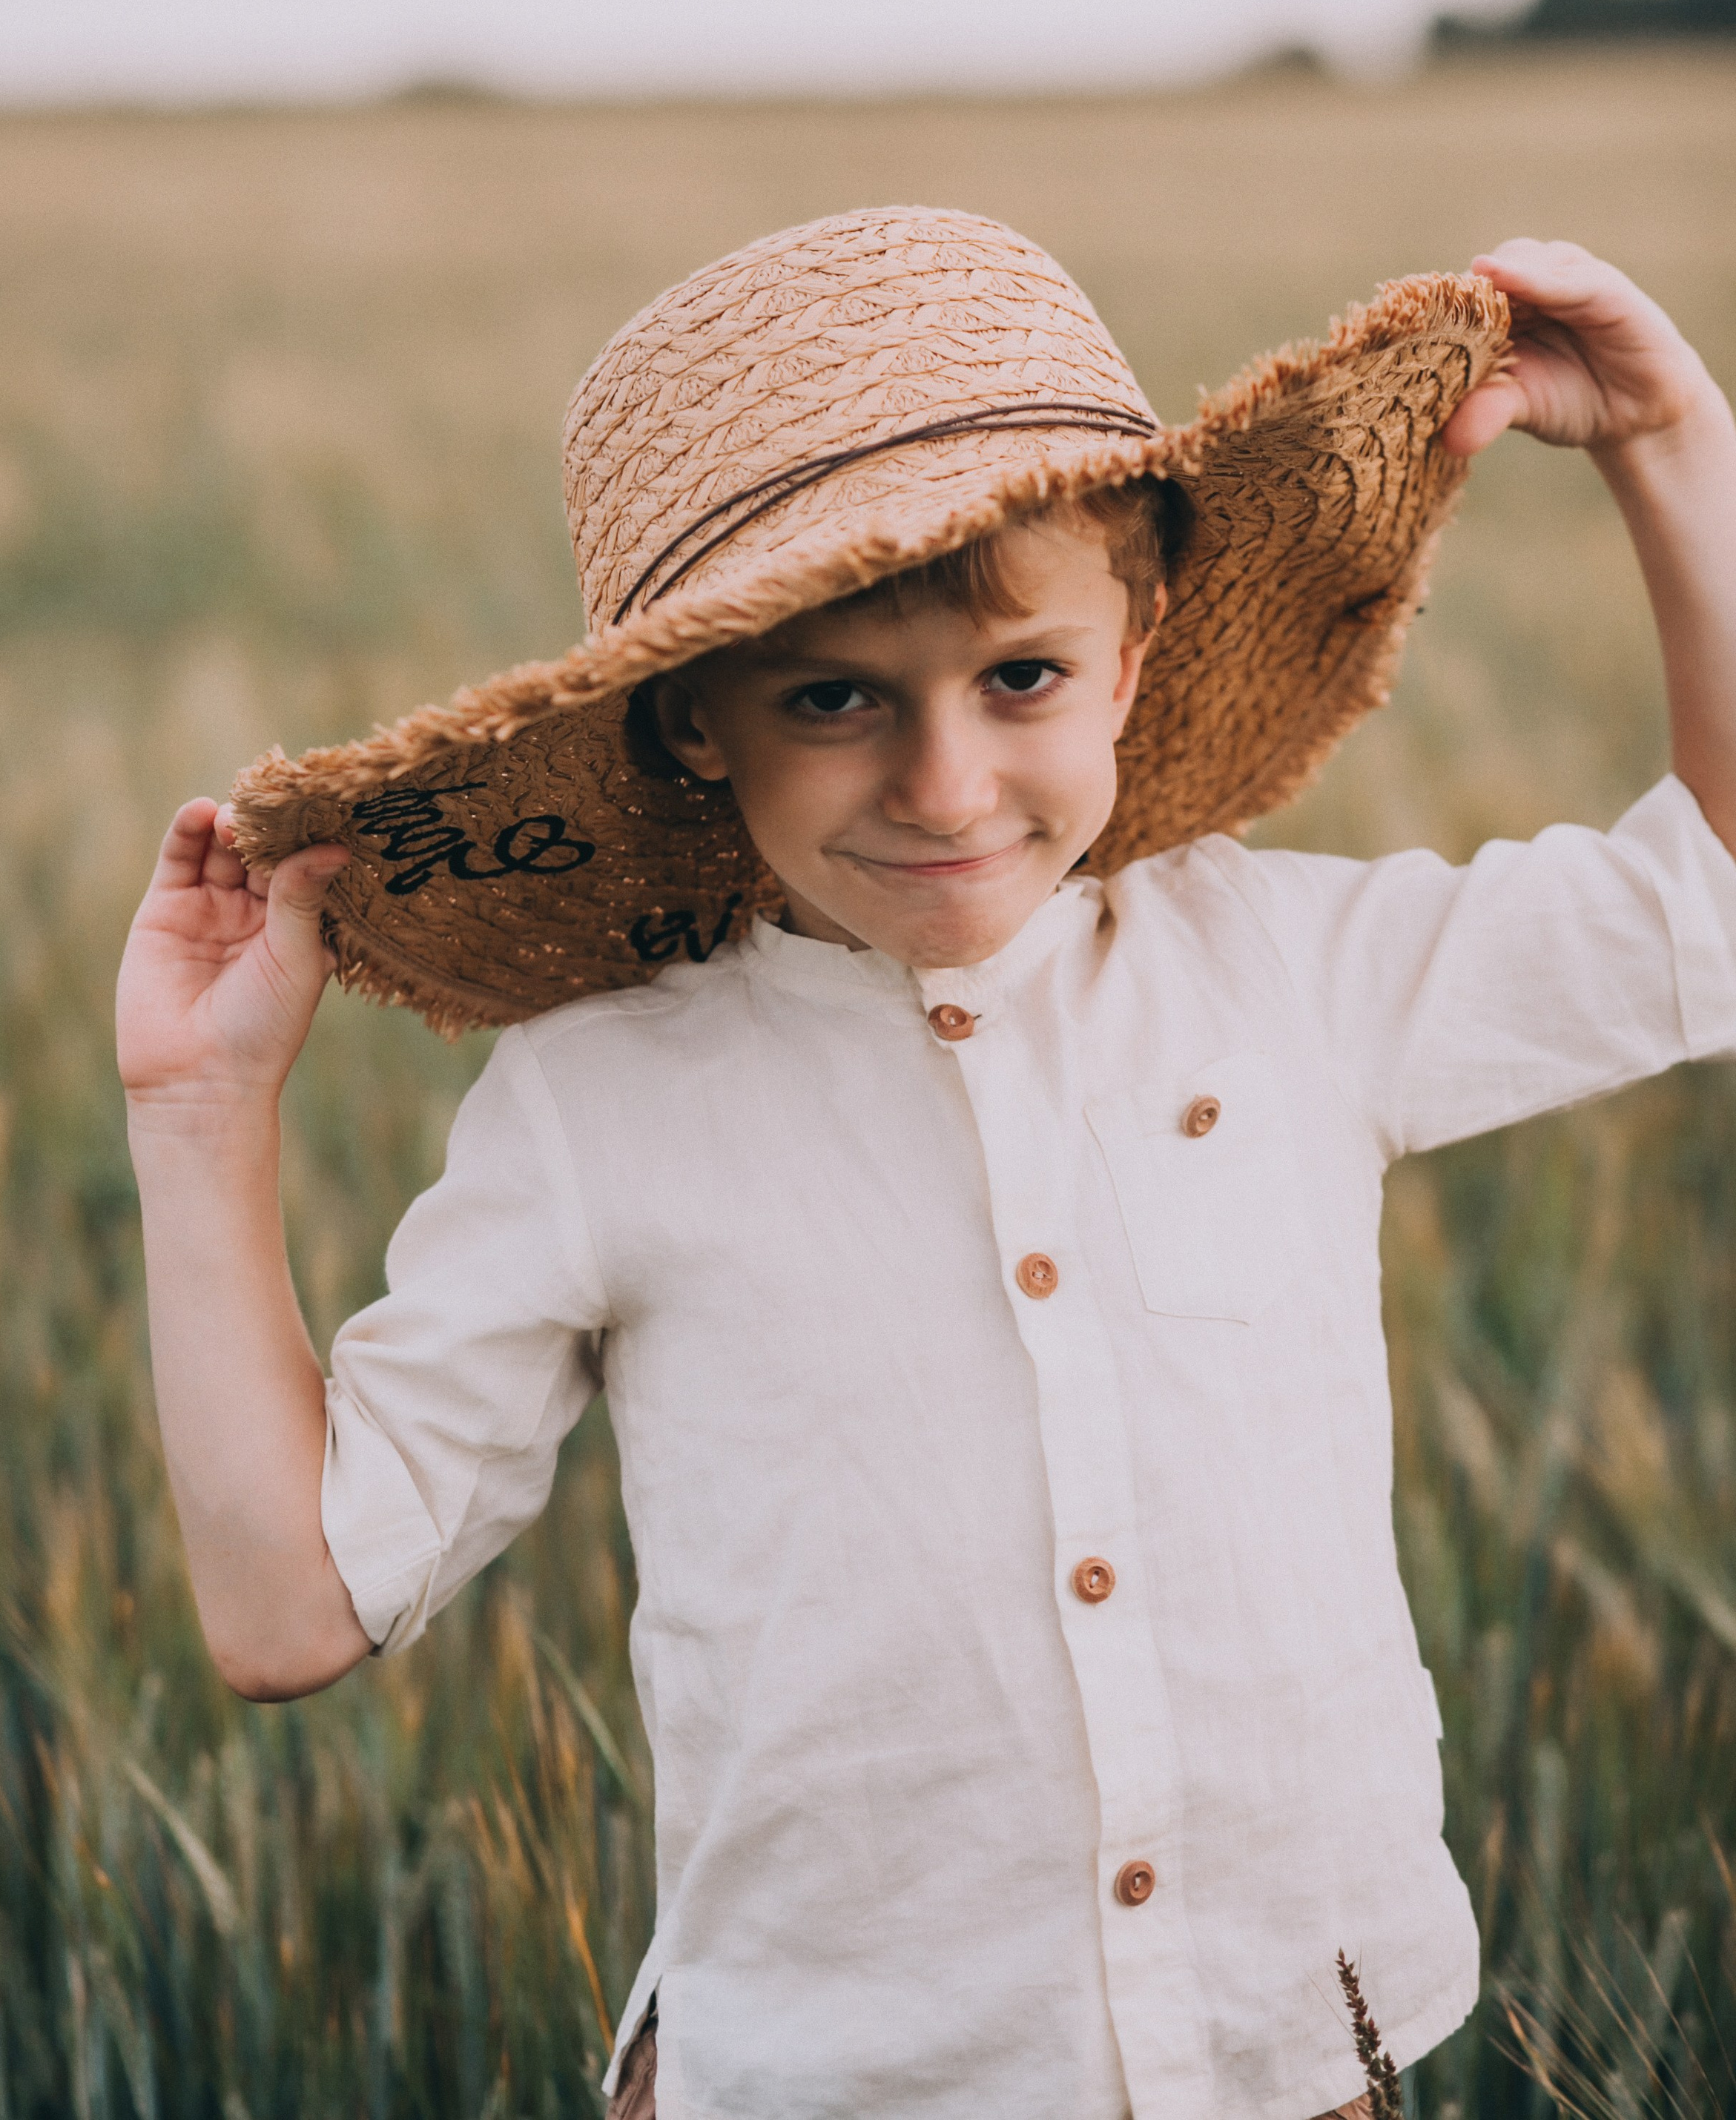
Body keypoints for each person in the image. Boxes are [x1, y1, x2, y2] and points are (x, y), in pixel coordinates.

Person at [117, 206, 1736, 2120]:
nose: (947, 786)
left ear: (1136, 657)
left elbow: (1704, 904)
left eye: (1022, 680)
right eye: (832, 697)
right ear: (694, 729)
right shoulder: (595, 1104)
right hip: (824, 2082)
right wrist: (199, 1115)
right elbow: (290, 1609)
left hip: (1296, 2057)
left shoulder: (1291, 976)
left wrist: (1670, 442)